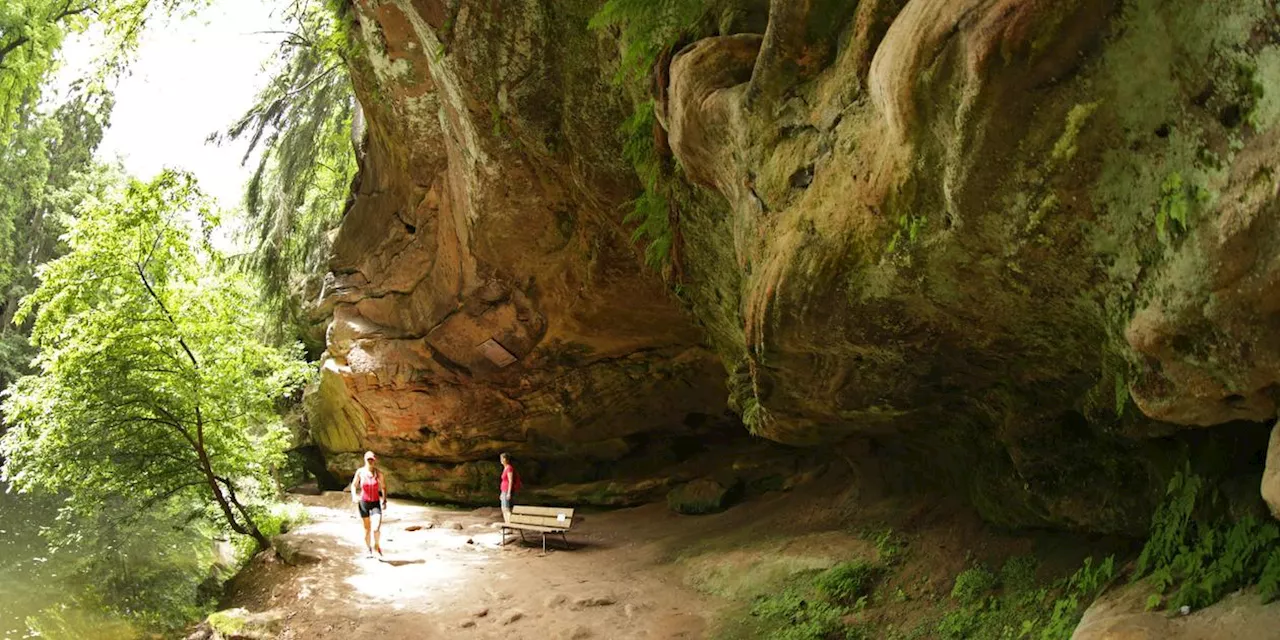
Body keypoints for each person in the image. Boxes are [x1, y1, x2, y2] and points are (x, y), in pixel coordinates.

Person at [351, 451, 387, 557]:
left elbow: (384, 487)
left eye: (372, 459)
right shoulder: (360, 472)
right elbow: (353, 485)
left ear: (374, 460)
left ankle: (376, 545)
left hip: (375, 503)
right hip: (364, 503)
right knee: (367, 529)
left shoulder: (378, 473)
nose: (370, 461)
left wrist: (384, 500)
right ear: (365, 460)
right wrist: (354, 496)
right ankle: (368, 549)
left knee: (376, 528)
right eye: (368, 459)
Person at [499, 452, 522, 523]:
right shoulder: (505, 468)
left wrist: (509, 493)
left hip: (507, 491)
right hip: (503, 491)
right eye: (501, 458)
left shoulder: (509, 468)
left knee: (507, 508)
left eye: (502, 458)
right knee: (503, 508)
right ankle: (507, 525)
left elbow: (510, 480)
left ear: (506, 459)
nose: (501, 460)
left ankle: (510, 526)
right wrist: (501, 493)